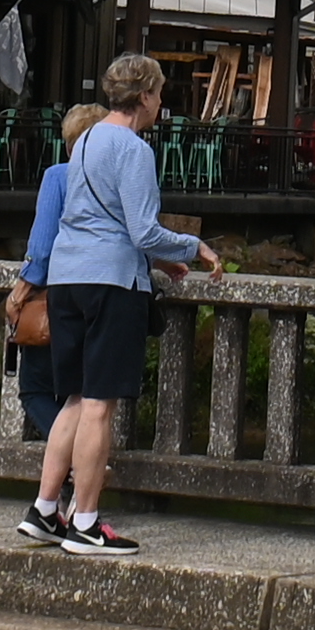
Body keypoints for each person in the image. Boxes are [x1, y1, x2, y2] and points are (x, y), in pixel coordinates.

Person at [29, 51, 214, 555]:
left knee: (71, 397)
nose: (159, 104)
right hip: (110, 284)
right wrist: (191, 247)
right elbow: (142, 229)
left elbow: (96, 217)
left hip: (67, 279)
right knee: (98, 406)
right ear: (147, 95)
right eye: (158, 95)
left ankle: (46, 509)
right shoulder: (134, 150)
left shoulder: (85, 138)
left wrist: (155, 262)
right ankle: (85, 521)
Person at [5, 102, 110, 543]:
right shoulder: (110, 178)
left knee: (39, 388)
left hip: (57, 299)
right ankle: (78, 485)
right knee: (88, 397)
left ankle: (67, 469)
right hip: (102, 292)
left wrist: (24, 284)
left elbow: (43, 240)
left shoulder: (59, 176)